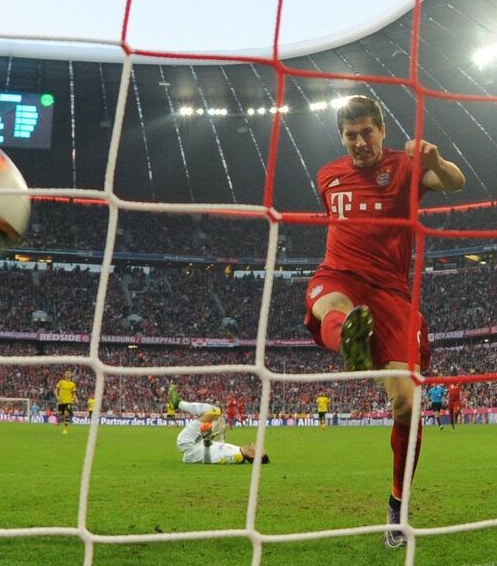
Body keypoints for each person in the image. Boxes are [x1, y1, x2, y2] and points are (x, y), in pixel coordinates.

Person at [303, 95, 465, 548]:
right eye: (350, 135)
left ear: (381, 131)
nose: (359, 142)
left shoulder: (405, 164)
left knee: (408, 408)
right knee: (331, 304)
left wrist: (436, 159)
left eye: (366, 132)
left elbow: (456, 181)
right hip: (340, 276)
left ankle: (397, 502)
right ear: (342, 137)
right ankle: (349, 336)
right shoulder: (328, 176)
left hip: (393, 296)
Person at [168, 386, 269, 465]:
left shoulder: (235, 457)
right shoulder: (238, 451)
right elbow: (216, 449)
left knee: (214, 411)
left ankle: (178, 404)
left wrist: (207, 442)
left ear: (252, 454)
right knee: (217, 414)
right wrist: (215, 437)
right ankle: (178, 404)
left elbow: (208, 460)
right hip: (196, 445)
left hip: (189, 444)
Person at [54, 370, 77, 434]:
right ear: (64, 374)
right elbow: (55, 390)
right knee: (61, 416)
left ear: (71, 375)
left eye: (68, 373)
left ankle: (65, 429)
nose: (67, 374)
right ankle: (58, 421)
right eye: (66, 373)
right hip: (61, 402)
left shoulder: (72, 384)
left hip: (68, 401)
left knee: (66, 414)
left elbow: (74, 394)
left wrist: (76, 399)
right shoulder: (61, 382)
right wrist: (57, 397)